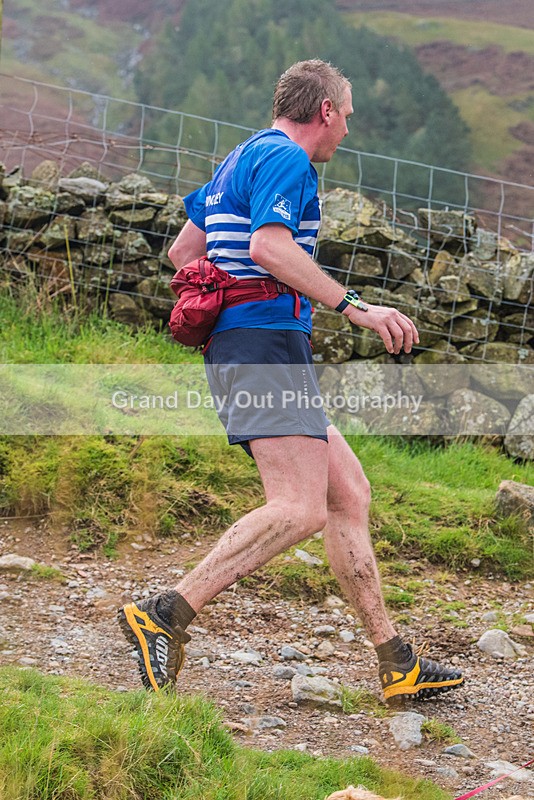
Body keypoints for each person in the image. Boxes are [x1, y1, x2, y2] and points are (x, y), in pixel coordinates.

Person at [118, 60, 463, 703]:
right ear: (325, 111)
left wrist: (229, 306)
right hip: (263, 347)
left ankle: (396, 662)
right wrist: (355, 307)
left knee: (347, 492)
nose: (346, 133)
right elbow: (270, 248)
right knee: (299, 507)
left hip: (253, 345)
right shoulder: (288, 160)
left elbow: (184, 255)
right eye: (347, 118)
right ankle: (166, 612)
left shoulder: (240, 157)